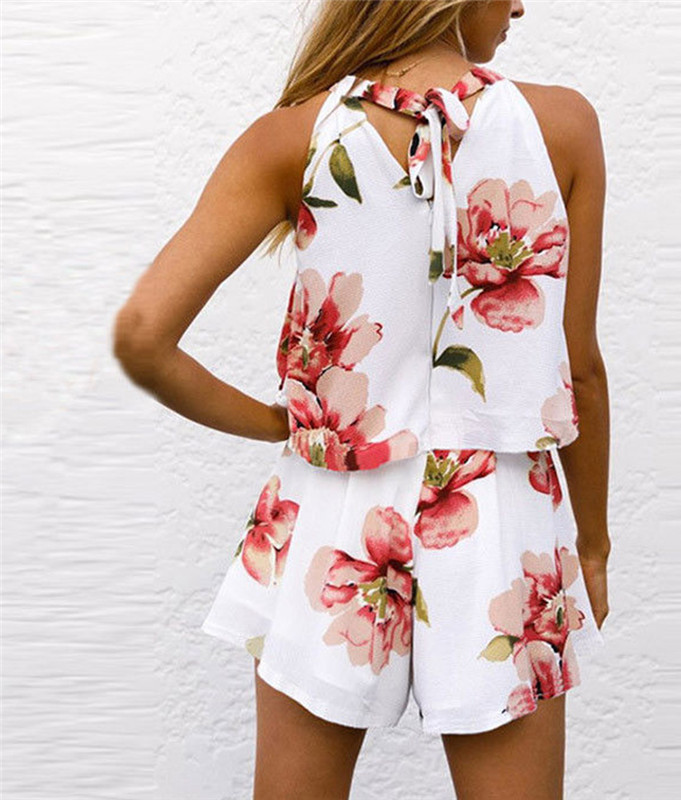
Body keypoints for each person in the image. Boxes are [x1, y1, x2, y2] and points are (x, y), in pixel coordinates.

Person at [112, 0, 610, 797]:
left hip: (332, 507)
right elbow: (579, 369)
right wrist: (593, 543)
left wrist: (282, 424)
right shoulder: (564, 128)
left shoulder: (291, 137)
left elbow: (142, 337)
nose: (521, 4)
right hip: (500, 515)